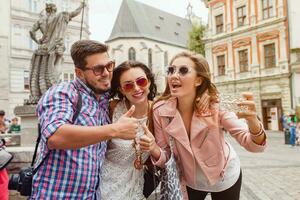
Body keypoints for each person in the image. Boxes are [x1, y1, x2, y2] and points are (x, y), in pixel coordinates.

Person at [142, 51, 267, 200]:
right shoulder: (160, 110)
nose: (174, 75)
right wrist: (154, 149)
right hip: (190, 181)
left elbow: (253, 145)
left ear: (198, 80)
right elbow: (166, 156)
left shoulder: (215, 104)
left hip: (225, 177)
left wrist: (252, 121)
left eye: (183, 70)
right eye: (171, 70)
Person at [30, 40, 139, 199]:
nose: (107, 73)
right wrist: (115, 130)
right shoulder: (63, 92)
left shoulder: (103, 100)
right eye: (98, 69)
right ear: (79, 73)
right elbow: (55, 136)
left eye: (109, 65)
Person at [100, 60, 157, 200]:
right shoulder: (111, 108)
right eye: (128, 85)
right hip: (103, 183)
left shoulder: (159, 112)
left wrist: (153, 147)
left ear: (149, 82)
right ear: (121, 89)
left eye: (141, 81)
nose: (136, 88)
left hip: (135, 185)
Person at [28, 2, 85, 103]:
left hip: (42, 48)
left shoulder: (41, 20)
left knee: (38, 73)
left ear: (47, 10)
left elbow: (31, 32)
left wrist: (38, 41)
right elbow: (74, 13)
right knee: (54, 71)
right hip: (54, 48)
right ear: (54, 9)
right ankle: (51, 92)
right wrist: (81, 6)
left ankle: (38, 94)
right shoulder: (61, 16)